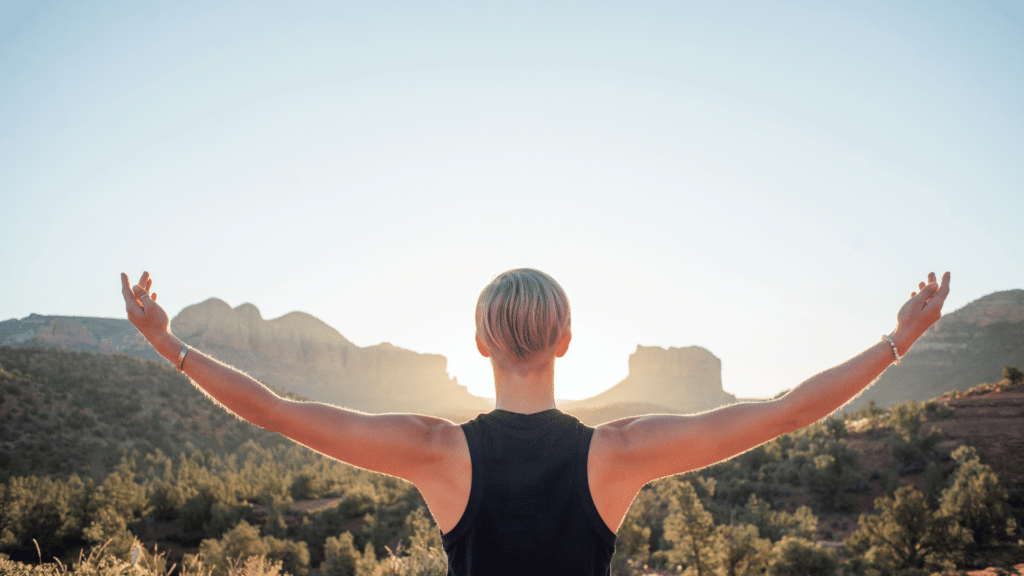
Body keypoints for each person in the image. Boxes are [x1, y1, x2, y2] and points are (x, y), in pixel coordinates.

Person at [120, 268, 951, 576]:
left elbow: (273, 411)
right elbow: (786, 413)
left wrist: (173, 347)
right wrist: (895, 342)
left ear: (478, 343)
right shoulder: (618, 454)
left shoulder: (436, 451)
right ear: (564, 342)